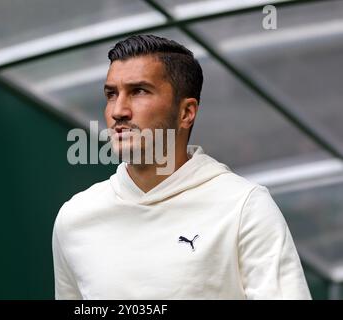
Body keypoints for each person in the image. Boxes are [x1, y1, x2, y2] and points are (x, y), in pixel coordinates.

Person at [52, 34, 311, 299]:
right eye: (111, 94)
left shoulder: (244, 207)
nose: (118, 110)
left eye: (139, 91)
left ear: (186, 112)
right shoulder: (75, 218)